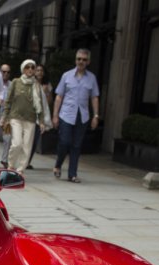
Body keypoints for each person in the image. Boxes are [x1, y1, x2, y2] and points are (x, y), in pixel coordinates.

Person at [52, 48, 100, 183]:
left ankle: (72, 174)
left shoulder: (92, 78)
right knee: (65, 141)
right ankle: (58, 164)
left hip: (82, 116)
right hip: (66, 115)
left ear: (88, 62)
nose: (81, 62)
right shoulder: (66, 76)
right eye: (79, 59)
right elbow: (59, 97)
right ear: (75, 60)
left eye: (84, 60)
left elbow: (94, 97)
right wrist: (55, 116)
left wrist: (96, 116)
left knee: (76, 145)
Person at [4, 59, 51, 172]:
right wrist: (5, 117)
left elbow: (40, 105)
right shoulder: (16, 82)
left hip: (30, 119)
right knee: (17, 144)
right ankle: (10, 165)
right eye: (27, 67)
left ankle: (20, 170)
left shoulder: (37, 86)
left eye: (32, 67)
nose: (30, 69)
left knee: (27, 147)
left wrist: (42, 122)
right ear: (23, 69)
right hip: (16, 118)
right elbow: (8, 101)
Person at [26, 63, 53, 170]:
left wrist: (46, 93)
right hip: (29, 116)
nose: (39, 72)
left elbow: (50, 101)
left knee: (34, 140)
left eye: (41, 70)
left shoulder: (47, 85)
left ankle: (28, 161)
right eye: (37, 70)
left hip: (40, 116)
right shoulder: (30, 83)